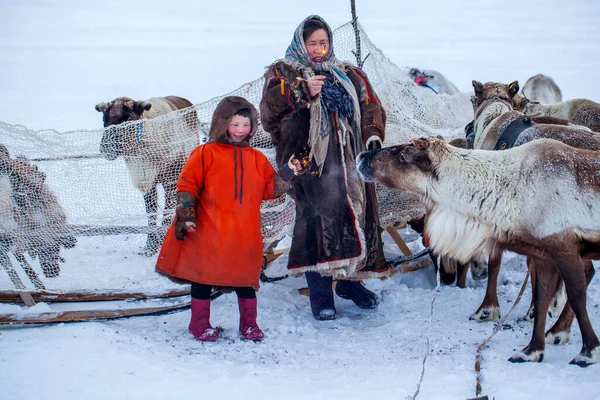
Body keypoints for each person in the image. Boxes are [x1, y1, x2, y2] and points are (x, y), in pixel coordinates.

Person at [260, 15, 390, 321]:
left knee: (355, 215)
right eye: (312, 43)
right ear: (301, 45)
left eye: (324, 42)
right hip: (309, 163)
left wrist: (372, 134)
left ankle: (348, 283)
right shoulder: (284, 72)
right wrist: (302, 91)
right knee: (316, 223)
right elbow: (269, 111)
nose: (319, 49)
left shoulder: (347, 73)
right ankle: (320, 295)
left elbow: (370, 102)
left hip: (350, 158)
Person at [155, 96, 291, 341]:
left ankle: (249, 325)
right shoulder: (205, 153)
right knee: (203, 279)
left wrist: (291, 171)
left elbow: (270, 189)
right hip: (209, 229)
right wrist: (185, 215)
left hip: (244, 232)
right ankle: (199, 325)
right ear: (222, 123)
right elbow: (187, 185)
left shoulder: (257, 158)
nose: (240, 131)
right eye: (235, 124)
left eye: (246, 125)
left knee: (247, 282)